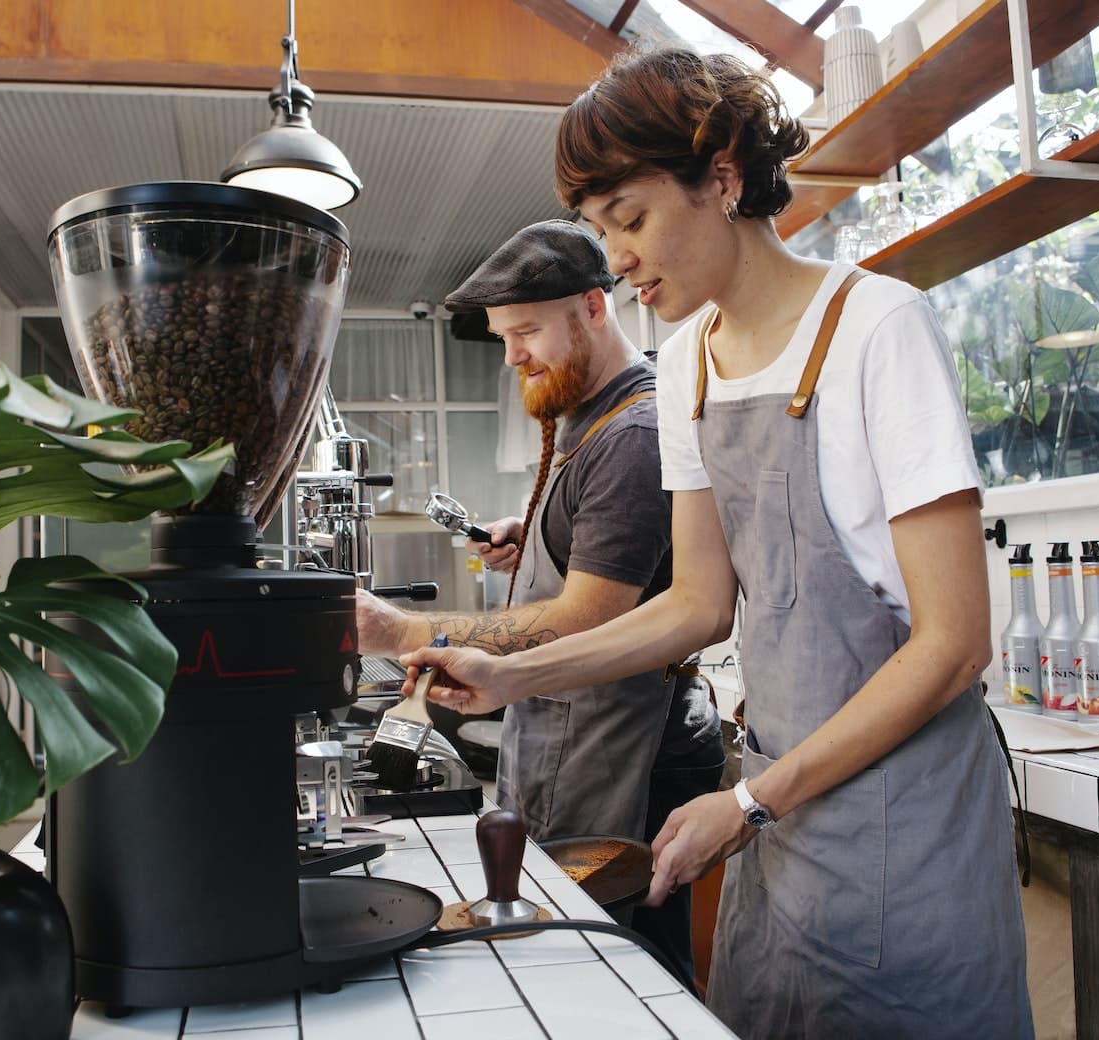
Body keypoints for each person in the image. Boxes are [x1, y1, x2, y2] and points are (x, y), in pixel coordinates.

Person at [397, 49, 1034, 1039]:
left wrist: (749, 801)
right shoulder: (686, 359)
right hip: (779, 810)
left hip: (901, 815)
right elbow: (696, 603)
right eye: (601, 229)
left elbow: (953, 643)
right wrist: (513, 674)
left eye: (632, 218)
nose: (617, 257)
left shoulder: (877, 329)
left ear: (723, 175)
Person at [354, 218, 723, 989]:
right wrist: (539, 543)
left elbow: (588, 615)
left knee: (627, 969)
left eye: (525, 331)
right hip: (570, 737)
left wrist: (402, 630)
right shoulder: (587, 416)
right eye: (502, 337)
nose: (513, 353)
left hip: (626, 747)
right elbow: (607, 567)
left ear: (594, 306)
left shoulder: (634, 432)